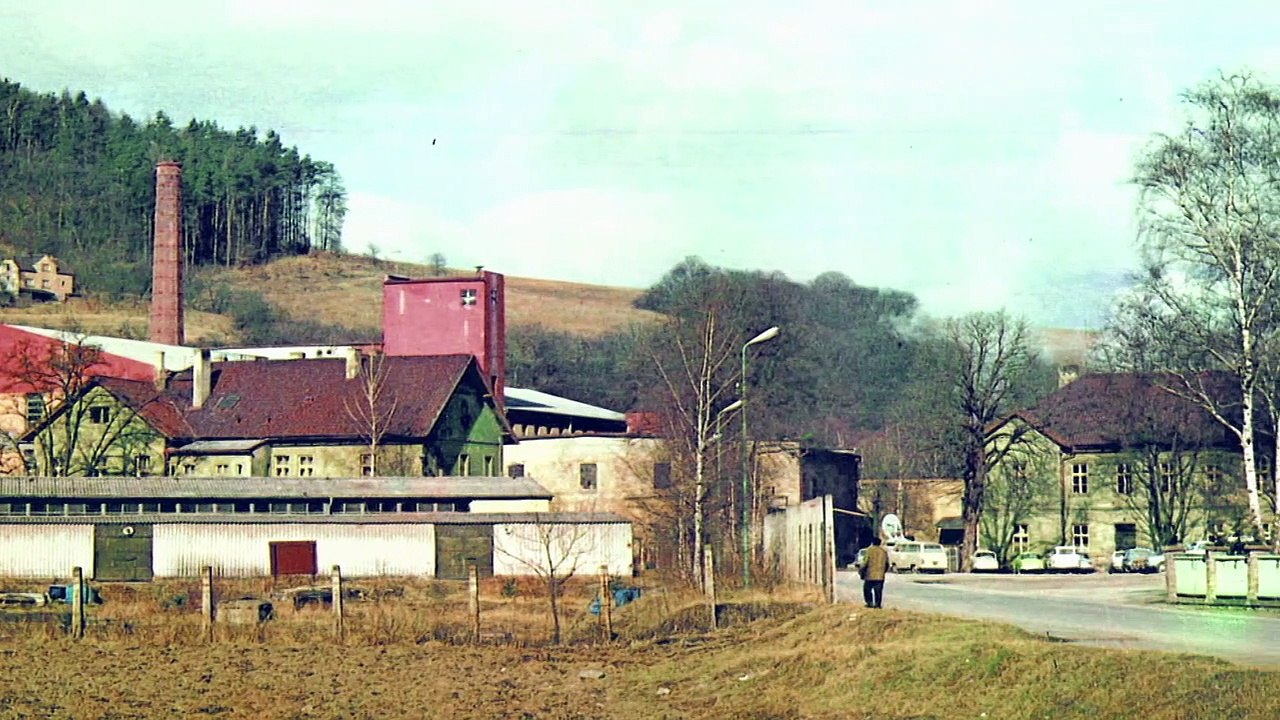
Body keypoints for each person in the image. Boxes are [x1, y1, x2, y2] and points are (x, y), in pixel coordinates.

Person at [860, 537, 889, 608]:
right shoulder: (883, 551)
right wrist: (883, 571)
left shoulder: (869, 550)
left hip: (869, 574)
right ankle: (878, 604)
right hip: (880, 575)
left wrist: (861, 571)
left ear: (872, 542)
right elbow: (887, 564)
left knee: (867, 589)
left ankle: (869, 603)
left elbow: (865, 563)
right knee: (878, 591)